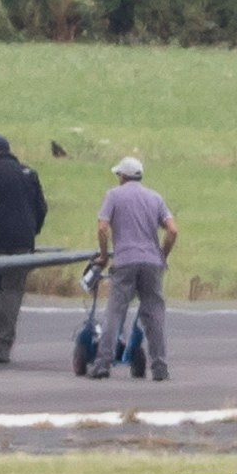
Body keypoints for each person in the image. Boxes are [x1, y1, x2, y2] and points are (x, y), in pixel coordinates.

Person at [88, 156, 178, 381]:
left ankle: (102, 364)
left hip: (125, 260)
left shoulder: (114, 196)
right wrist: (162, 255)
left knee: (115, 312)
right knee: (154, 314)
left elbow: (102, 228)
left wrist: (103, 254)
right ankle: (159, 367)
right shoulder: (155, 197)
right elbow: (172, 231)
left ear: (122, 176)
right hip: (151, 262)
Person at [0, 134, 47, 364]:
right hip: (22, 243)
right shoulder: (28, 174)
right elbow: (40, 208)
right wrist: (31, 231)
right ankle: (3, 345)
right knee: (12, 292)